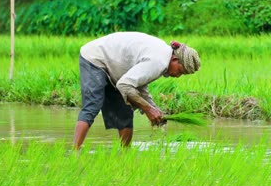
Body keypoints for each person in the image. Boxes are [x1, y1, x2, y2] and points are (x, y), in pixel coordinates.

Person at [73, 32, 201, 149]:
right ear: (174, 60)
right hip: (95, 58)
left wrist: (154, 108)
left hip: (116, 70)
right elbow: (124, 86)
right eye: (180, 71)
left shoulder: (162, 57)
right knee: (92, 106)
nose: (178, 76)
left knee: (125, 112)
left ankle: (125, 155)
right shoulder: (159, 62)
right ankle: (75, 152)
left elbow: (140, 87)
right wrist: (148, 109)